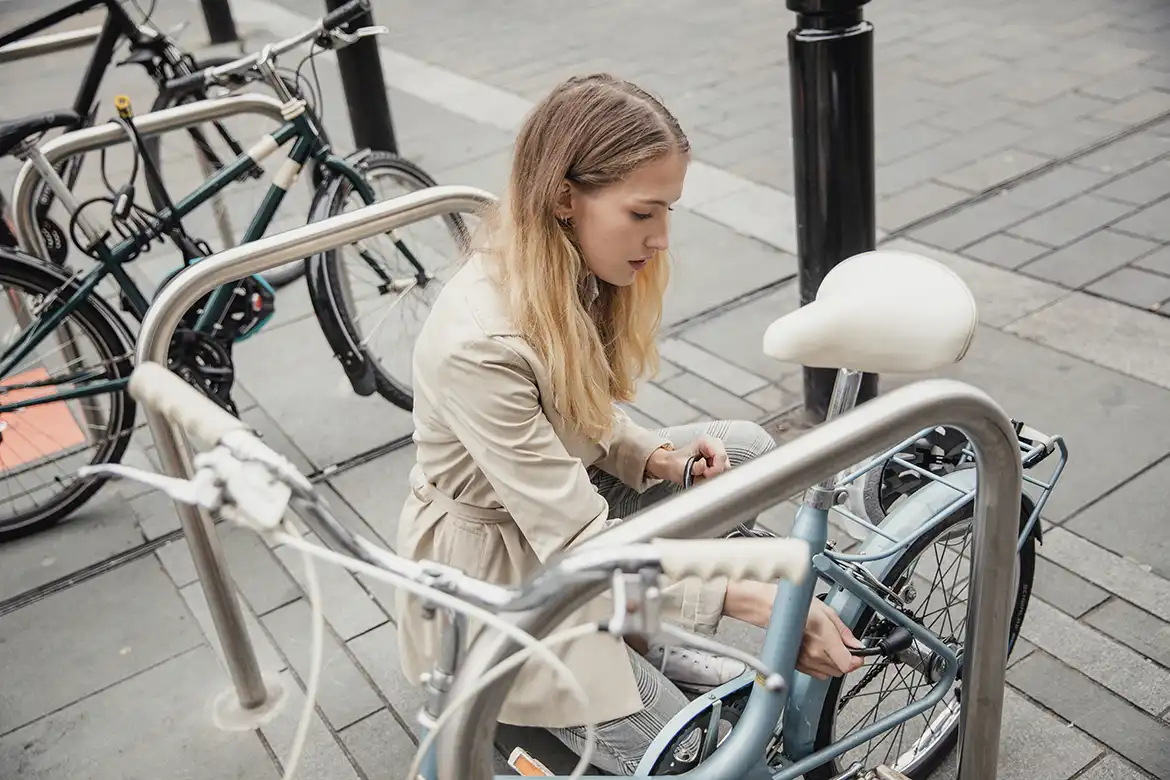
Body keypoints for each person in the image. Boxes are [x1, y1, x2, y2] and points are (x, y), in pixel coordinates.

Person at [394, 73, 863, 775]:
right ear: (563, 197)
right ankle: (639, 639)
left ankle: (645, 630)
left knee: (746, 453)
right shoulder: (481, 344)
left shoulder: (558, 264)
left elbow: (580, 417)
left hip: (558, 515)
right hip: (500, 572)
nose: (662, 238)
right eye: (644, 214)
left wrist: (660, 460)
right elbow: (579, 546)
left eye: (668, 212)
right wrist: (751, 597)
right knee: (697, 755)